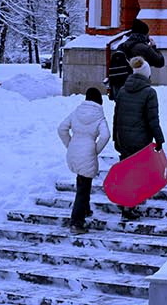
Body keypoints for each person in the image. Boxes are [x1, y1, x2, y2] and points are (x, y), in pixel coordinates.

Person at [111, 53, 165, 220]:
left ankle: (123, 200)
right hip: (140, 140)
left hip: (123, 139)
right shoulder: (149, 93)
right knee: (135, 173)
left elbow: (116, 116)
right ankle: (128, 207)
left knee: (125, 170)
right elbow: (152, 119)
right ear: (147, 73)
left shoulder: (122, 90)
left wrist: (116, 138)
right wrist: (159, 139)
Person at [57, 87, 111, 233]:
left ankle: (85, 209)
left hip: (74, 150)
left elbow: (62, 128)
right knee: (83, 188)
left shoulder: (76, 112)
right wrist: (95, 150)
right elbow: (105, 136)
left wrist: (70, 144)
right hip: (87, 151)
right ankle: (76, 222)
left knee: (82, 180)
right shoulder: (99, 116)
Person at [106, 21, 164, 100]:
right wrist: (153, 47)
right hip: (138, 89)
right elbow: (160, 62)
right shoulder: (144, 48)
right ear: (144, 34)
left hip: (120, 89)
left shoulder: (122, 46)